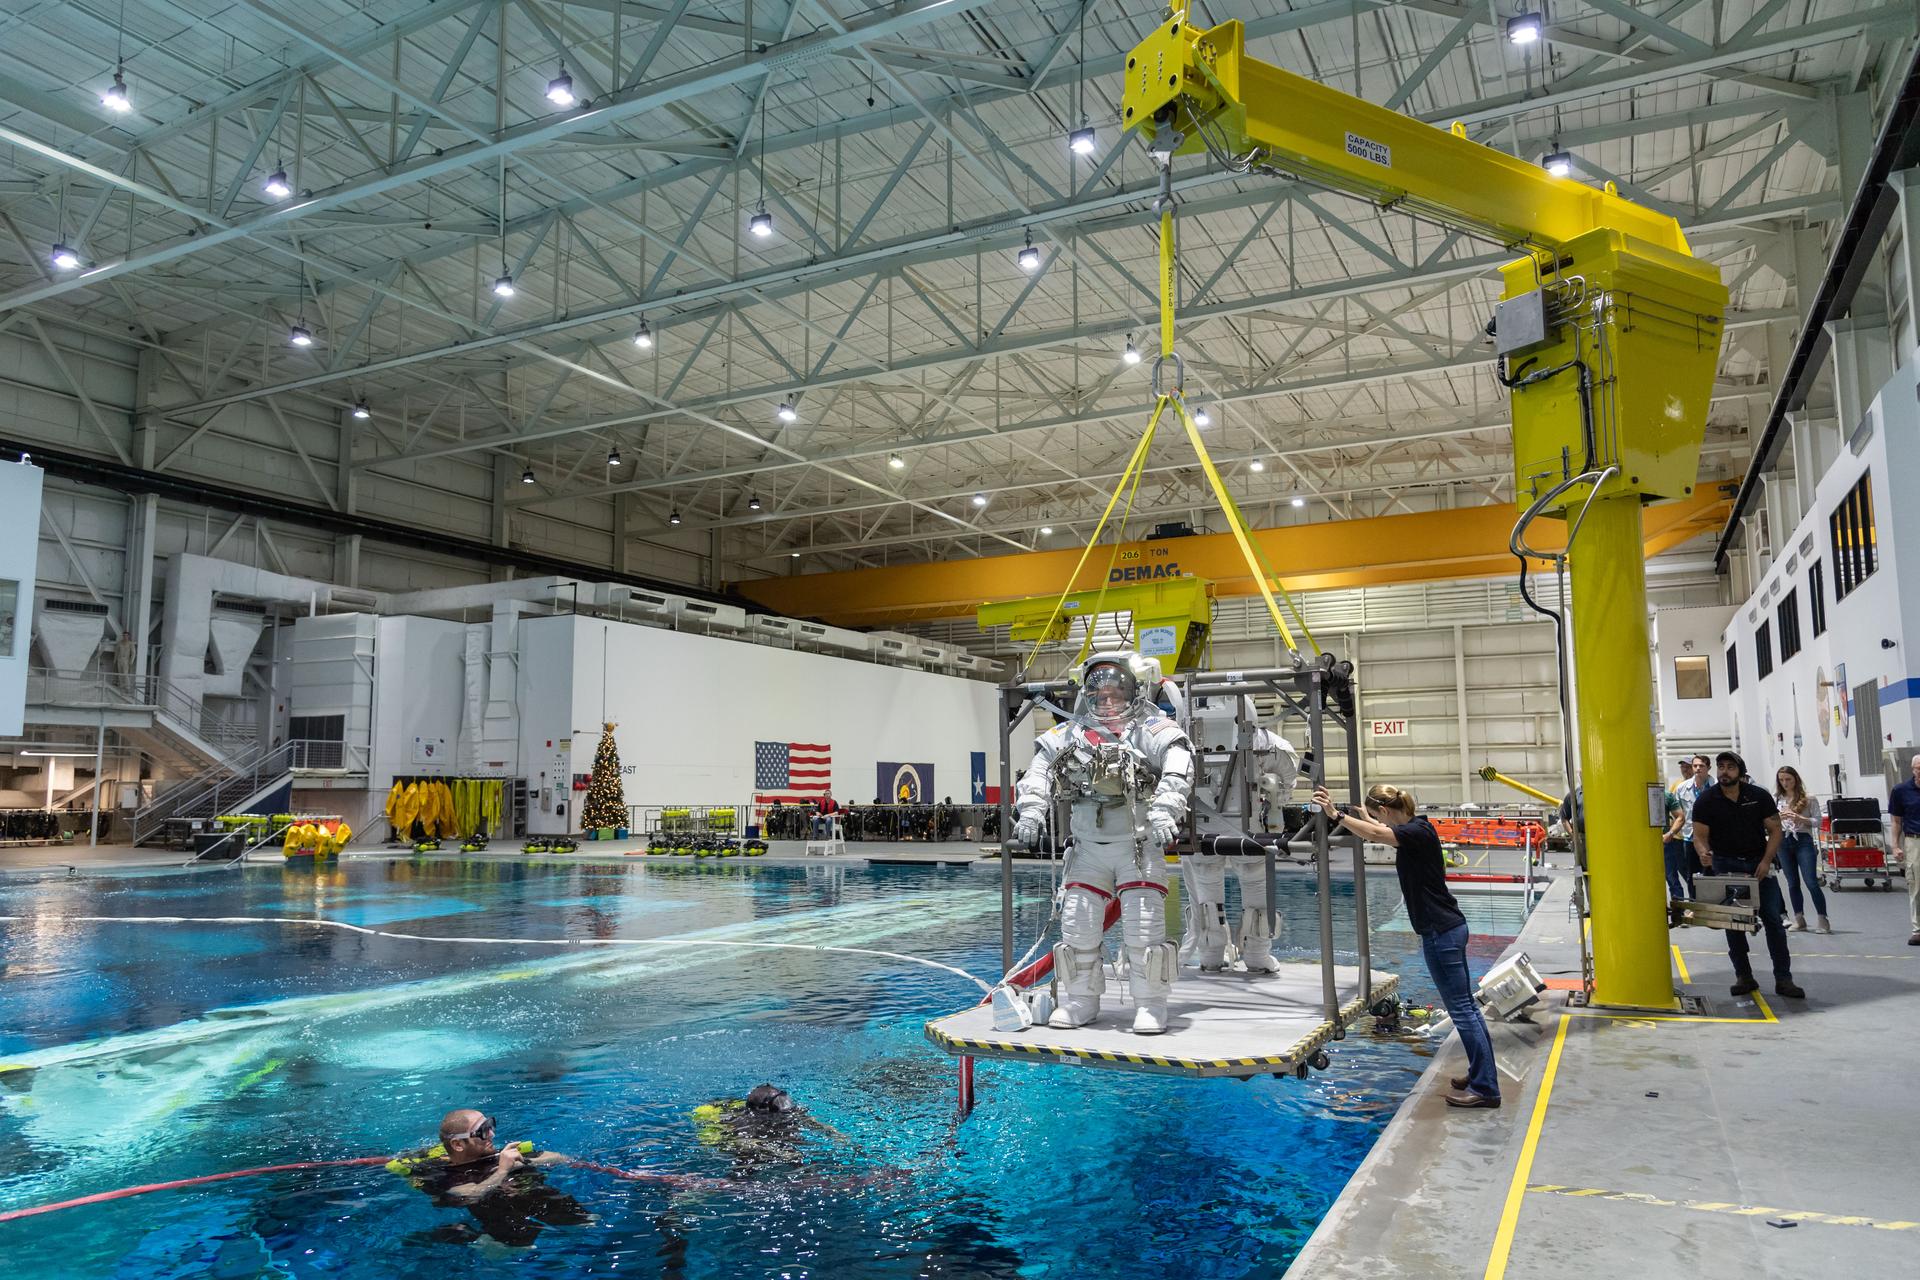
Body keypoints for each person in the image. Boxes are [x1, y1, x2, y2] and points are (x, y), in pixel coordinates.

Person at [1013, 651, 1195, 1034]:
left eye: (1116, 693)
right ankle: (1081, 1000)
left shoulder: (1152, 730)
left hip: (1138, 846)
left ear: (1134, 691)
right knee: (1078, 926)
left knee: (1143, 931)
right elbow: (1038, 772)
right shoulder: (1071, 734)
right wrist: (1031, 811)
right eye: (1099, 695)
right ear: (1088, 696)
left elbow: (1180, 765)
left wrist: (1164, 810)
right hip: (1088, 848)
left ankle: (1149, 1004)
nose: (1107, 701)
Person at [1313, 781, 1499, 1109]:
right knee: (1467, 1008)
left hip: (1442, 933)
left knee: (1463, 1011)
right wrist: (1361, 815)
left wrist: (1335, 814)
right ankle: (1479, 1074)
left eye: (1377, 815)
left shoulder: (1415, 833)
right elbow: (1379, 829)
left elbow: (1377, 835)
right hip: (1446, 929)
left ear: (1385, 811)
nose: (1378, 821)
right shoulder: (1418, 828)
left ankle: (1486, 1089)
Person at [1181, 692, 1300, 973]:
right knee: (1255, 889)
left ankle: (1211, 956)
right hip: (1251, 832)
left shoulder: (1181, 743)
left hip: (1203, 832)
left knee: (1207, 894)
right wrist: (1274, 804)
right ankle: (1256, 956)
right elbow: (1287, 781)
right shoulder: (1268, 743)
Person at [1691, 752, 1805, 1000]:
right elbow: (1698, 834)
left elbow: (1775, 831)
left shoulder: (1758, 796)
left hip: (1758, 867)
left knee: (1774, 922)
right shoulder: (1707, 800)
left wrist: (1766, 861)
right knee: (1733, 924)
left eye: (1730, 767)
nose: (1724, 772)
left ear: (1740, 772)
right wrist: (1703, 852)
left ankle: (1784, 979)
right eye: (1721, 767)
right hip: (1726, 866)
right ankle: (1743, 976)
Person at [389, 1108, 589, 1247]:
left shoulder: (496, 1154)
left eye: (490, 1125)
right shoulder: (442, 1174)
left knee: (586, 1222)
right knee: (515, 1247)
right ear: (458, 1145)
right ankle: (464, 1234)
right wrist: (502, 1171)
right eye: (483, 1131)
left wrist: (525, 1161)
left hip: (534, 1200)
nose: (492, 1134)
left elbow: (562, 1158)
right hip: (499, 1217)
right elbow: (470, 1195)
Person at [691, 1084, 844, 1172]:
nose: (788, 1110)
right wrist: (782, 1154)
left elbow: (809, 1120)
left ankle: (806, 1171)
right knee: (748, 1158)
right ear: (763, 1110)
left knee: (794, 1145)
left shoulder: (786, 1109)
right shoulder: (743, 1122)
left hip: (770, 1131)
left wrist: (836, 1136)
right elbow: (745, 1143)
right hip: (749, 1142)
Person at [1774, 766, 1828, 933]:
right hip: (1783, 840)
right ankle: (1799, 918)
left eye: (1788, 779)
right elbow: (1769, 820)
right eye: (1782, 780)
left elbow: (1818, 821)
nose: (1785, 783)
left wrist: (1800, 818)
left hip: (1803, 839)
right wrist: (1778, 818)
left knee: (1811, 881)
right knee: (1792, 882)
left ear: (1795, 779)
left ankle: (1822, 919)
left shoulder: (1809, 799)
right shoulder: (1776, 799)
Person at [1887, 753, 1920, 947]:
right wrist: (1895, 845)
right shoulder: (1901, 791)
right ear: (1913, 769)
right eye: (1918, 768)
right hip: (1914, 840)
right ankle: (1918, 929)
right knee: (1916, 885)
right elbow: (1896, 821)